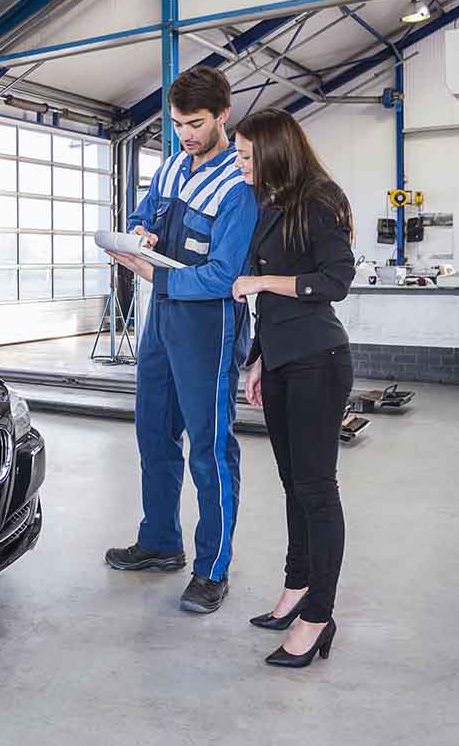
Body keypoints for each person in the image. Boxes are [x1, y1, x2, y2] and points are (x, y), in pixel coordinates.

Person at [105, 66, 258, 615]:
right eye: (176, 125)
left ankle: (212, 568)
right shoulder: (169, 169)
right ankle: (159, 541)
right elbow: (145, 215)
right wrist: (138, 232)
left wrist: (152, 275)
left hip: (209, 328)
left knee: (210, 449)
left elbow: (222, 275)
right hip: (162, 321)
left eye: (195, 124)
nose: (186, 135)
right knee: (153, 432)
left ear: (223, 115)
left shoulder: (240, 187)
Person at [230, 108, 356, 667]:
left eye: (246, 155)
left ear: (276, 152)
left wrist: (258, 280)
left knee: (316, 490)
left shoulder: (320, 200)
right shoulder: (271, 205)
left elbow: (336, 280)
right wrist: (259, 359)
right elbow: (272, 308)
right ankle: (296, 588)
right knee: (292, 486)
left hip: (318, 361)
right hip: (281, 360)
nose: (239, 163)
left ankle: (318, 616)